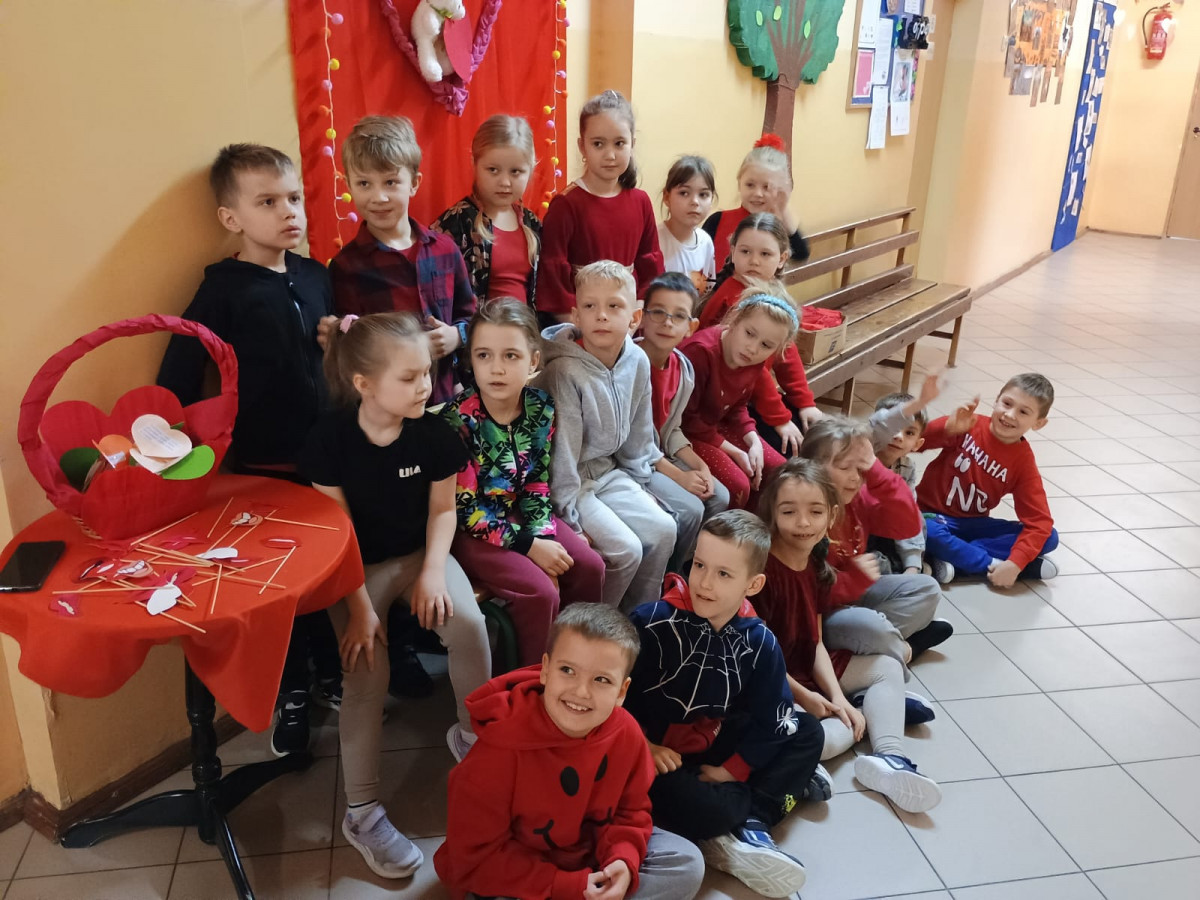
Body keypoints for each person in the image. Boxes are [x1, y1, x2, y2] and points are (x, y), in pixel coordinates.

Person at [156, 143, 341, 758]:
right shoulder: (223, 291)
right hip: (267, 462)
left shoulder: (316, 276)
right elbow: (181, 364)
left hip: (329, 454)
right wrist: (171, 443)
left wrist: (339, 337)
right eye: (267, 202)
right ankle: (292, 691)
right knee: (280, 584)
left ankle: (331, 670)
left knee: (328, 571)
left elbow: (344, 356)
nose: (289, 212)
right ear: (231, 218)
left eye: (294, 198)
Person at [300, 312, 492, 879]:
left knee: (469, 625)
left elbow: (442, 511)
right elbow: (339, 536)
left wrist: (432, 572)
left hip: (416, 559)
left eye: (427, 373)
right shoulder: (329, 441)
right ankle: (361, 813)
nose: (424, 387)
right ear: (364, 383)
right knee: (367, 670)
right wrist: (361, 610)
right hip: (353, 571)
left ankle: (473, 737)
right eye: (409, 378)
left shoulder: (434, 434)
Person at [434, 604, 705, 900]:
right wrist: (566, 885)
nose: (581, 692)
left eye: (601, 679)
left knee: (687, 863)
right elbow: (473, 859)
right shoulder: (495, 754)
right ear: (545, 669)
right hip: (522, 873)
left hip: (590, 859)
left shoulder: (627, 733)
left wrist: (622, 860)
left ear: (622, 691)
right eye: (567, 670)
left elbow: (630, 811)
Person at [625, 511, 825, 899]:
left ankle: (752, 820)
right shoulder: (651, 622)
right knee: (704, 808)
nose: (704, 582)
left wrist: (732, 770)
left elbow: (776, 717)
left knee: (809, 731)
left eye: (723, 574)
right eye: (699, 565)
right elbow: (615, 698)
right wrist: (644, 745)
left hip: (716, 743)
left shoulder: (759, 641)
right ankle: (766, 797)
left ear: (753, 584)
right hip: (658, 756)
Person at [755, 459, 942, 814]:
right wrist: (810, 697)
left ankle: (890, 758)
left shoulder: (814, 562)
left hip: (804, 668)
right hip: (772, 681)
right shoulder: (762, 569)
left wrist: (837, 696)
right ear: (772, 515)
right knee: (811, 735)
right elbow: (759, 660)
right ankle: (851, 724)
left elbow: (815, 642)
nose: (803, 522)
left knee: (886, 667)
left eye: (815, 511)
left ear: (831, 515)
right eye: (789, 512)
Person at [442, 298, 605, 667]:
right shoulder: (458, 421)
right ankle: (528, 679)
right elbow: (465, 510)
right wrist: (530, 546)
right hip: (471, 532)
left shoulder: (539, 407)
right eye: (483, 355)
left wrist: (543, 537)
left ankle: (575, 659)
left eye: (510, 356)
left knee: (590, 567)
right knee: (541, 592)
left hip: (520, 515)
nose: (496, 368)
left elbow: (535, 483)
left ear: (533, 361)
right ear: (471, 361)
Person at [534, 261, 676, 612]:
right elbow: (563, 455)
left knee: (664, 528)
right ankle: (596, 626)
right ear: (576, 316)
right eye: (589, 306)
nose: (601, 315)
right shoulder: (564, 371)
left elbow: (639, 432)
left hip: (610, 472)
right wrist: (570, 519)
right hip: (573, 484)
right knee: (626, 550)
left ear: (634, 317)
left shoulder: (637, 360)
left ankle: (638, 618)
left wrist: (641, 484)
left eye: (614, 306)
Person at [327, 115, 476, 404]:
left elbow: (470, 315)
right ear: (348, 185)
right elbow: (351, 349)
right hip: (388, 407)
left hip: (446, 399)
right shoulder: (346, 267)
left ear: (414, 183)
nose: (379, 197)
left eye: (391, 182)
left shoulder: (445, 249)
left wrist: (457, 336)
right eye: (364, 183)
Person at [799, 416, 952, 667]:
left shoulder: (856, 497)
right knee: (869, 625)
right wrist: (853, 581)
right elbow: (803, 597)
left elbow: (908, 524)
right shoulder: (802, 515)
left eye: (861, 469)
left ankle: (875, 646)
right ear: (812, 467)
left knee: (927, 588)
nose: (855, 478)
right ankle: (905, 649)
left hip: (850, 596)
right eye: (845, 467)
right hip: (815, 616)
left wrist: (876, 470)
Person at [696, 213, 822, 455]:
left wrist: (805, 402)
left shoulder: (773, 293)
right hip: (724, 403)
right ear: (732, 252)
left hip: (750, 395)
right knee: (789, 446)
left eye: (765, 254)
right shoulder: (732, 296)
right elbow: (751, 369)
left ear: (782, 259)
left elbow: (786, 352)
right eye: (745, 252)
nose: (754, 261)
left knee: (810, 431)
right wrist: (779, 418)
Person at [918, 373, 1059, 587]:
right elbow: (915, 441)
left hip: (973, 523)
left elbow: (1040, 522)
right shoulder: (968, 424)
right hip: (930, 515)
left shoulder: (1023, 461)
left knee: (1050, 537)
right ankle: (989, 564)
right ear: (996, 400)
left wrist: (1016, 562)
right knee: (928, 531)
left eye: (1023, 412)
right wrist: (946, 429)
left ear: (1038, 423)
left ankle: (956, 559)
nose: (1010, 415)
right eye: (1007, 403)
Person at [536, 90, 664, 319]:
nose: (610, 155)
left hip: (629, 320)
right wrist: (581, 328)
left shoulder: (641, 202)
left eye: (619, 143)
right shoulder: (566, 205)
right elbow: (554, 280)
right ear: (582, 146)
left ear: (632, 144)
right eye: (598, 144)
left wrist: (634, 319)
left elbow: (649, 268)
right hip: (581, 323)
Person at [636, 273, 730, 573]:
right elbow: (635, 445)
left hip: (660, 456)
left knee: (719, 496)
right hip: (634, 462)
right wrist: (680, 477)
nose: (667, 322)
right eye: (658, 312)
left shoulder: (683, 369)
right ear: (642, 317)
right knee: (690, 509)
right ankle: (670, 575)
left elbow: (672, 429)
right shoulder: (630, 365)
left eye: (678, 316)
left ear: (691, 327)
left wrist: (700, 467)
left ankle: (693, 568)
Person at [679, 289, 798, 509]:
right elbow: (687, 420)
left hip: (715, 426)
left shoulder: (751, 359)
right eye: (749, 333)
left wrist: (753, 441)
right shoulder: (701, 353)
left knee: (778, 470)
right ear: (735, 319)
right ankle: (731, 529)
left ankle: (757, 525)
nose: (753, 348)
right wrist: (734, 451)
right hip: (684, 433)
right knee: (738, 485)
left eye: (766, 345)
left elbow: (738, 405)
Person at [433, 114, 542, 310]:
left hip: (527, 327)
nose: (505, 182)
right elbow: (436, 288)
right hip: (477, 327)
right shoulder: (457, 221)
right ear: (474, 164)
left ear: (531, 169)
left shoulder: (531, 223)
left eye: (515, 172)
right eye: (493, 170)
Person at [702, 134, 810, 271]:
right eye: (750, 185)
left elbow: (801, 255)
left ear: (779, 189)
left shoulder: (779, 228)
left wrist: (782, 210)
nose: (758, 193)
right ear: (739, 183)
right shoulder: (717, 221)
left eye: (766, 187)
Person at [868, 387, 936, 576]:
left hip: (886, 530)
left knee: (917, 518)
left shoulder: (907, 468)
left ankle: (912, 567)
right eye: (893, 427)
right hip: (859, 530)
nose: (898, 436)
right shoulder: (863, 456)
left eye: (909, 433)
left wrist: (912, 566)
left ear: (917, 444)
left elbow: (908, 514)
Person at [657, 155, 717, 295]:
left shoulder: (706, 242)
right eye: (684, 193)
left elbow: (707, 292)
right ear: (667, 197)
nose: (695, 201)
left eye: (703, 195)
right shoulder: (654, 240)